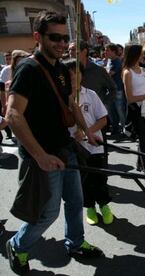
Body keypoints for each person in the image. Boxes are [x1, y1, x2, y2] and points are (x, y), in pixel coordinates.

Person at [5, 11, 103, 275]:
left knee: (75, 200)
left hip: (65, 147)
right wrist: (39, 156)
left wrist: (87, 130)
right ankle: (17, 245)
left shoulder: (60, 68)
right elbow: (13, 114)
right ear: (38, 37)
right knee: (48, 213)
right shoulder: (29, 69)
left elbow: (71, 104)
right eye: (54, 38)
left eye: (64, 37)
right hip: (43, 155)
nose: (61, 43)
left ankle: (75, 242)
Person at [64, 59, 113, 225]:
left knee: (99, 179)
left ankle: (104, 206)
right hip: (75, 149)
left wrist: (87, 131)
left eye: (75, 73)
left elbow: (103, 119)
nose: (72, 77)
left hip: (94, 145)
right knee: (83, 182)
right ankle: (90, 208)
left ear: (81, 76)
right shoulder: (62, 98)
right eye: (68, 74)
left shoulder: (90, 94)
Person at [122, 44, 145, 175]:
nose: (144, 55)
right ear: (135, 55)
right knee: (144, 140)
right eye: (142, 53)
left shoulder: (143, 70)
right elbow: (130, 98)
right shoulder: (127, 72)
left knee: (144, 139)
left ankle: (140, 164)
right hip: (135, 110)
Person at [105, 43, 126, 137]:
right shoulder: (109, 60)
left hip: (117, 89)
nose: (105, 52)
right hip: (110, 90)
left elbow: (109, 74)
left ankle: (125, 129)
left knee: (120, 110)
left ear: (113, 51)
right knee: (111, 111)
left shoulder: (117, 61)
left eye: (107, 50)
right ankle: (115, 129)